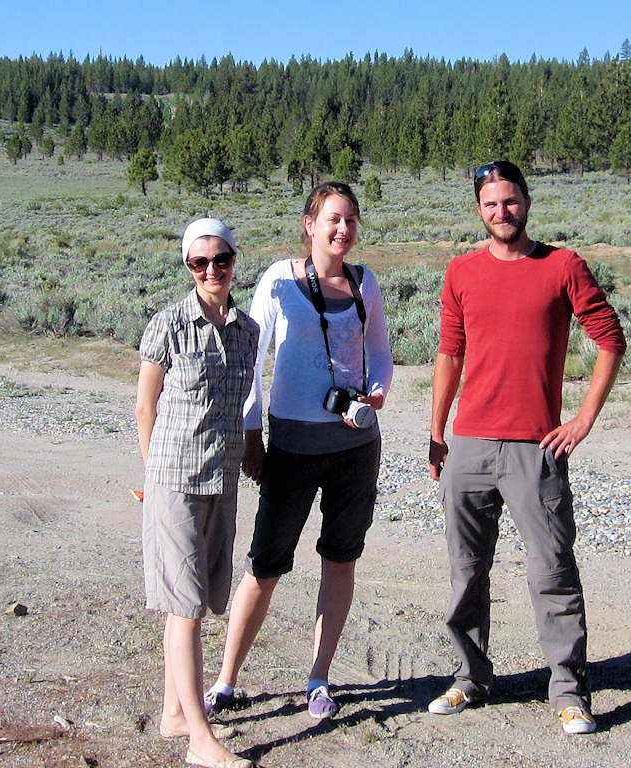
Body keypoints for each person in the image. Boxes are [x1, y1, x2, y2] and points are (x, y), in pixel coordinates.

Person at [427, 161, 626, 735]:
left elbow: (610, 340)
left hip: (535, 448)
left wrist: (583, 420)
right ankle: (471, 678)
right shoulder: (461, 271)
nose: (501, 213)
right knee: (466, 570)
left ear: (527, 202)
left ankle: (567, 689)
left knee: (552, 568)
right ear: (478, 209)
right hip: (468, 442)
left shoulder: (562, 266)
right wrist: (438, 433)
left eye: (510, 202)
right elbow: (450, 354)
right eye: (490, 204)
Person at [205, 181, 393, 722]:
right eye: (333, 219)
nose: (343, 230)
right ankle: (225, 680)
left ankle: (318, 678)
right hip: (291, 443)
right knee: (265, 563)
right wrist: (250, 434)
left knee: (340, 558)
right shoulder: (279, 281)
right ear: (310, 224)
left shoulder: (366, 283)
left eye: (351, 221)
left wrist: (376, 392)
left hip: (356, 446)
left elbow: (381, 354)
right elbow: (250, 361)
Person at [134, 218, 259, 768]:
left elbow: (243, 409)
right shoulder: (168, 324)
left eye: (221, 259)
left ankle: (173, 713)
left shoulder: (248, 331)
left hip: (222, 479)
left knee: (200, 601)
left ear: (234, 261)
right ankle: (200, 740)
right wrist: (154, 477)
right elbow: (145, 407)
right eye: (199, 262)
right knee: (183, 608)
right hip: (175, 481)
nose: (212, 270)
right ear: (188, 266)